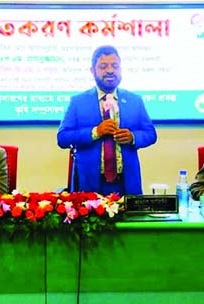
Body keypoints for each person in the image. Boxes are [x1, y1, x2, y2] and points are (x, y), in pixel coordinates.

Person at [57, 45, 157, 195]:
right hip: (88, 185)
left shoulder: (134, 100)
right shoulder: (78, 102)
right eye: (103, 66)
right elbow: (62, 138)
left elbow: (150, 134)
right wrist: (95, 132)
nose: (110, 70)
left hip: (127, 184)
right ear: (93, 71)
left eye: (115, 66)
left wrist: (133, 137)